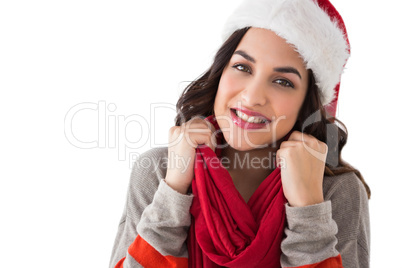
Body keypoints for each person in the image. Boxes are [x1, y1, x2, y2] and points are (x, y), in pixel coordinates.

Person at [109, 0, 371, 267]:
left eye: (283, 82)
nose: (252, 97)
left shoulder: (337, 190)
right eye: (243, 67)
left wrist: (308, 210)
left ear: (307, 102)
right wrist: (173, 192)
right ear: (220, 72)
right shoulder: (158, 171)